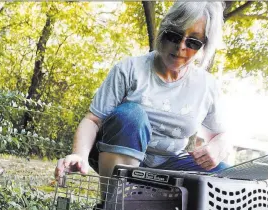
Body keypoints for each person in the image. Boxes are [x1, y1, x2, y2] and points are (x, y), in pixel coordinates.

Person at [55, 1, 232, 182]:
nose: (181, 46)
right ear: (164, 31)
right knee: (131, 114)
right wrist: (79, 155)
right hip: (117, 159)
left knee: (230, 177)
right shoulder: (130, 69)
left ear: (204, 46)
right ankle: (113, 203)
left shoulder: (206, 86)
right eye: (174, 36)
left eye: (193, 42)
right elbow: (93, 120)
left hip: (171, 167)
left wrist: (218, 146)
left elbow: (221, 135)